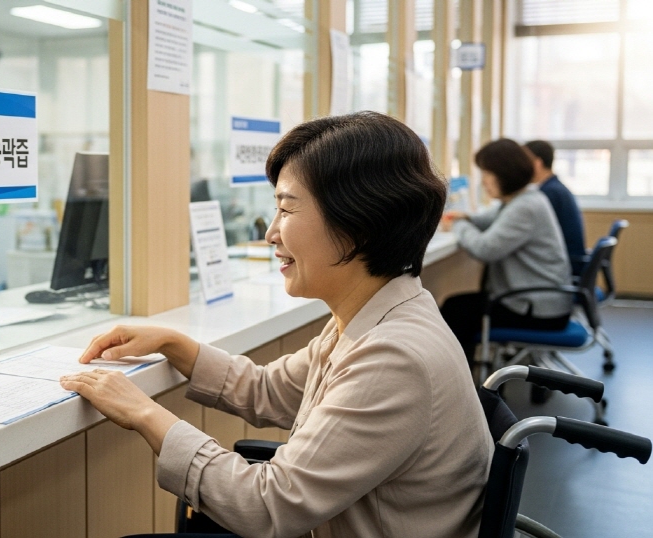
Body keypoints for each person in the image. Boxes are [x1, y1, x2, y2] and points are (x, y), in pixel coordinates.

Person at [60, 112, 492, 537]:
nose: (271, 233)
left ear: (359, 223)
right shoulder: (380, 315)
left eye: (287, 210)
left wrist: (142, 412)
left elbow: (265, 507)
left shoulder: (393, 357)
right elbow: (272, 390)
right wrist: (176, 344)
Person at [441, 139, 573, 364]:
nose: (483, 182)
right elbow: (492, 220)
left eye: (486, 174)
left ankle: (456, 380)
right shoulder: (525, 199)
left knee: (456, 310)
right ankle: (463, 375)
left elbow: (485, 248)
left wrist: (458, 225)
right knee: (460, 307)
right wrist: (467, 218)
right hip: (542, 299)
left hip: (539, 309)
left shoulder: (525, 207)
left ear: (504, 174)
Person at [524, 140, 587, 275]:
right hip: (569, 262)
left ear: (537, 163)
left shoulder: (549, 194)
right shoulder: (554, 188)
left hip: (564, 267)